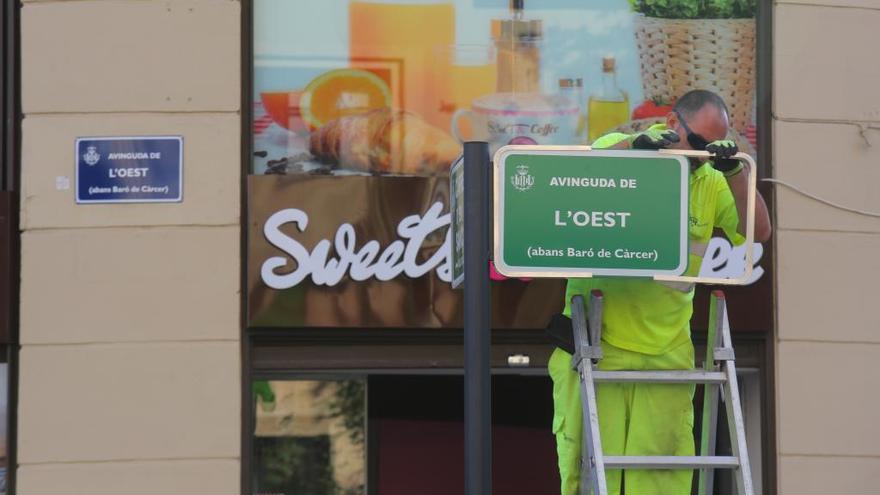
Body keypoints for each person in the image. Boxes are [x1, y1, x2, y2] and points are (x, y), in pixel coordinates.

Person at [548, 89, 772, 495]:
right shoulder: (622, 150)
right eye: (700, 142)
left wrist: (734, 168)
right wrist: (637, 150)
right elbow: (583, 173)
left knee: (660, 476)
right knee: (593, 474)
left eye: (715, 145)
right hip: (602, 345)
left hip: (667, 349)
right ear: (672, 124)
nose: (704, 153)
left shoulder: (710, 178)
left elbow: (759, 231)